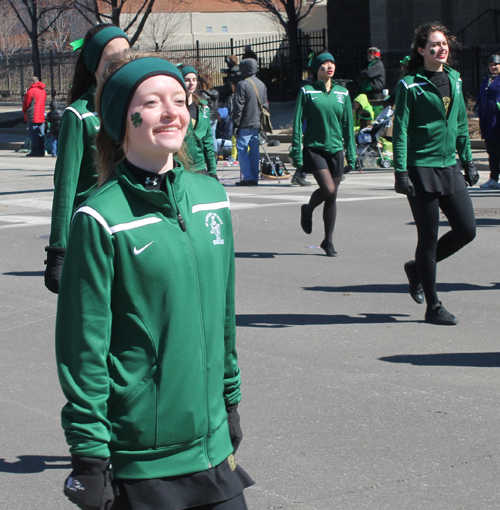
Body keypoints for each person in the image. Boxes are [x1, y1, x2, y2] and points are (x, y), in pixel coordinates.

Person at [56, 53, 253, 510]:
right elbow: (83, 348)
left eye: (179, 100)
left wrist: (230, 397)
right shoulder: (100, 218)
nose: (171, 112)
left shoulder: (211, 198)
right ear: (123, 118)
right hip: (144, 457)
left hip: (213, 448)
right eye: (153, 102)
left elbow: (224, 314)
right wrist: (88, 455)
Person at [393, 21, 479, 326]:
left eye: (443, 44)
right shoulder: (410, 84)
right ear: (421, 50)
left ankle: (416, 268)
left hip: (449, 165)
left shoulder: (454, 79)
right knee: (428, 237)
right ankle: (433, 306)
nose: (440, 49)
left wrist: (467, 160)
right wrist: (400, 172)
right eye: (434, 45)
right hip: (421, 167)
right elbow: (400, 130)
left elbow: (459, 123)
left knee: (467, 229)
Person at [43, 24, 130, 294]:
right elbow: (65, 187)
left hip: (128, 227)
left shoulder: (135, 109)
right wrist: (58, 248)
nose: (120, 64)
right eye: (110, 59)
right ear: (94, 65)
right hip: (91, 230)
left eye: (126, 55)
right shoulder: (78, 115)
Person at [290, 50, 356, 257]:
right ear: (316, 68)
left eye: (332, 63)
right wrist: (296, 153)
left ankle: (328, 241)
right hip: (314, 148)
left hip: (335, 149)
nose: (329, 66)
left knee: (332, 196)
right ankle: (308, 209)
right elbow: (298, 123)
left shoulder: (342, 93)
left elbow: (348, 126)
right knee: (327, 188)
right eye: (324, 64)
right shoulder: (307, 91)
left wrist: (351, 155)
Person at [232, 58, 269, 186]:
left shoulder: (242, 85)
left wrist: (235, 123)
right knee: (254, 151)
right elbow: (265, 105)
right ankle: (254, 177)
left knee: (242, 150)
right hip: (257, 123)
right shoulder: (261, 84)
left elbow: (238, 107)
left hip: (245, 122)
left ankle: (247, 177)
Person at [179, 64, 218, 178]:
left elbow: (208, 141)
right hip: (180, 166)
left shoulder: (203, 108)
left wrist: (212, 170)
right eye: (187, 80)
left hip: (199, 167)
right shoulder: (175, 108)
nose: (191, 83)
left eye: (194, 80)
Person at [477, 54, 500, 189]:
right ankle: (493, 178)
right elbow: (481, 97)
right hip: (487, 123)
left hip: (498, 123)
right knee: (491, 152)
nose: (493, 67)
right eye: (491, 65)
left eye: (496, 64)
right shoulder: (486, 80)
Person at [22, 76, 47, 157]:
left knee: (33, 135)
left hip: (33, 115)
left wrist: (24, 112)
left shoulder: (31, 91)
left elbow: (26, 104)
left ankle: (35, 151)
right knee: (41, 134)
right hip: (41, 115)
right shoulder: (43, 91)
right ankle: (42, 150)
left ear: (32, 82)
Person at [198, 73, 219, 152]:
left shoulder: (202, 94)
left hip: (207, 117)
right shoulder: (216, 93)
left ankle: (207, 152)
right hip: (214, 117)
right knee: (213, 135)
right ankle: (214, 152)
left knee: (204, 136)